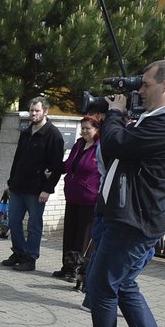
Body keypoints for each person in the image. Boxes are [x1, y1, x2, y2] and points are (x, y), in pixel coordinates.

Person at [60, 59, 165, 327]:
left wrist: (116, 113)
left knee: (103, 284)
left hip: (134, 220)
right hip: (126, 214)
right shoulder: (158, 118)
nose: (141, 90)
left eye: (146, 84)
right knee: (122, 283)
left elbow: (118, 144)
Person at [0, 96, 65, 272]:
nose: (33, 114)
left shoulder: (54, 135)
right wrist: (10, 183)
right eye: (31, 110)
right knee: (14, 221)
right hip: (18, 187)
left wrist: (47, 189)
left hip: (37, 190)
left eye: (37, 110)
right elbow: (17, 160)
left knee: (34, 225)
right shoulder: (26, 132)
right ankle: (19, 253)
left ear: (45, 111)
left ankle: (30, 258)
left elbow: (57, 167)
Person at [53, 115, 102, 280]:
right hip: (72, 196)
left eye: (88, 128)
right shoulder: (79, 144)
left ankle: (78, 271)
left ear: (96, 129)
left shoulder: (100, 147)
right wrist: (55, 169)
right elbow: (68, 165)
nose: (84, 131)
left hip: (89, 199)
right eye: (82, 128)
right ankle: (66, 267)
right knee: (69, 234)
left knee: (82, 237)